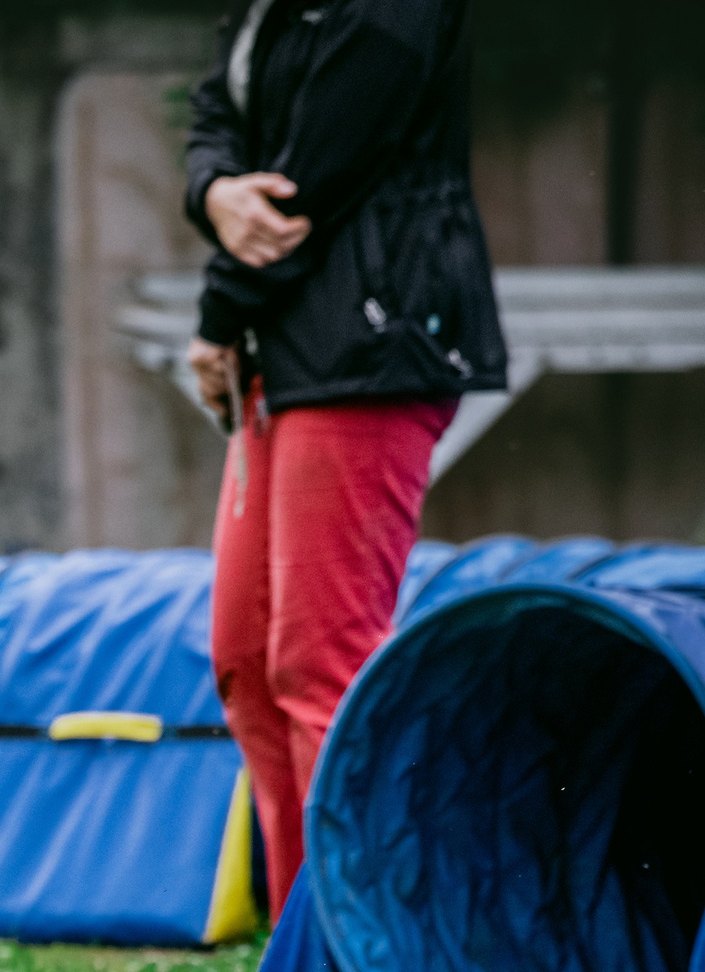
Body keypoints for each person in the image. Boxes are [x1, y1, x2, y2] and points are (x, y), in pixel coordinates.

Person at [184, 0, 505, 915]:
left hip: (373, 355)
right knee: (246, 663)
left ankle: (360, 959)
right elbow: (215, 114)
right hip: (279, 353)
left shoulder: (391, 11)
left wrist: (216, 318)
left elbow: (306, 186)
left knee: (322, 664)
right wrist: (210, 191)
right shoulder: (266, 8)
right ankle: (303, 955)